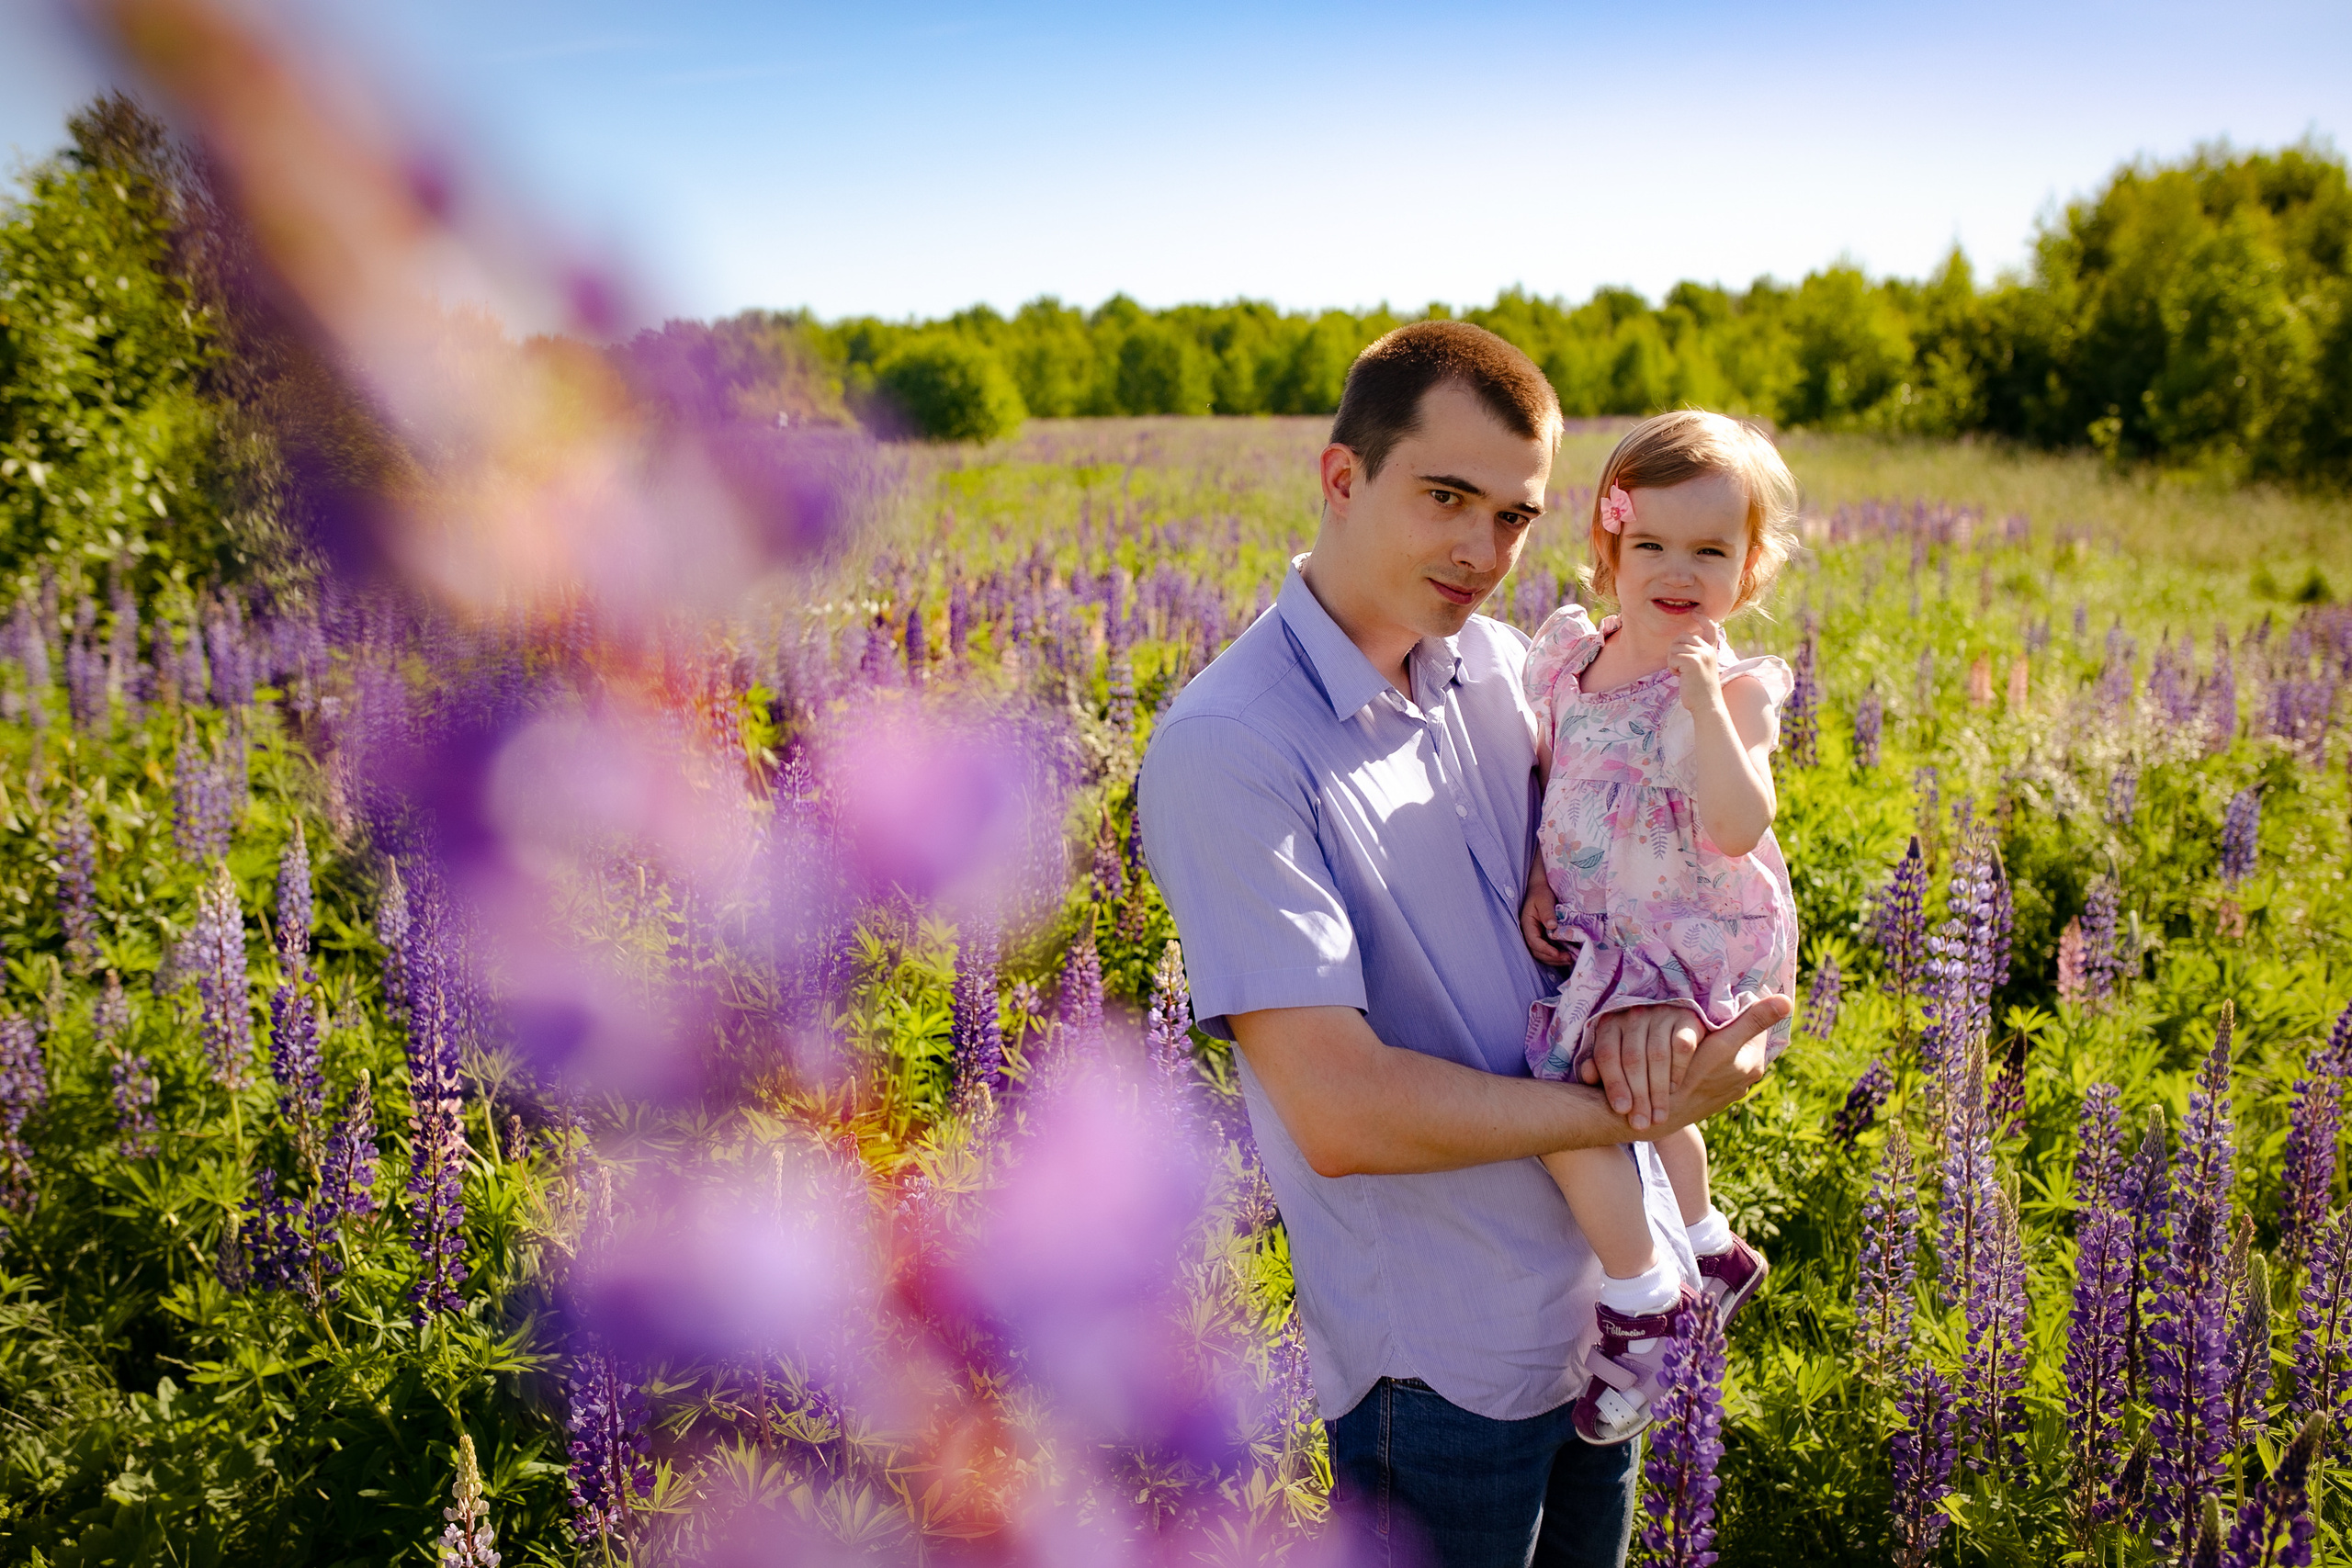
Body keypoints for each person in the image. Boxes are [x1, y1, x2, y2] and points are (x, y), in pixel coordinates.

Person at [1137, 321, 1791, 1568]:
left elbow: (1685, 878)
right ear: (1342, 478)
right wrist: (1638, 1107)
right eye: (1447, 497)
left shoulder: (1511, 672)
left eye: (1516, 516)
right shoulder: (1233, 745)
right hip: (1438, 1371)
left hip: (1607, 1321)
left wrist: (1680, 1026)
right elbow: (1343, 1112)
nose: (1483, 550)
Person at [1516, 412, 1801, 1448]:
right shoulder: (1563, 663)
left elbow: (1736, 825)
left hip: (1687, 936)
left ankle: (1645, 1300)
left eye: (1710, 551)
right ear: (1609, 549)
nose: (1677, 571)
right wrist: (1536, 876)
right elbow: (1552, 781)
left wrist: (1703, 707)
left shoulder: (1732, 692)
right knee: (1638, 1101)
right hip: (1599, 931)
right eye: (1652, 545)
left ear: (1750, 570)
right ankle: (1709, 1246)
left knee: (1570, 1099)